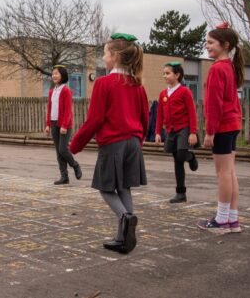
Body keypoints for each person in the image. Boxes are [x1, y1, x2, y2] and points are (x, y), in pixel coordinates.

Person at [69, 33, 149, 254]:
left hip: (113, 142)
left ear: (114, 56)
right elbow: (145, 119)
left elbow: (95, 119)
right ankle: (123, 238)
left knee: (105, 188)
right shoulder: (137, 85)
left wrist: (75, 145)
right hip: (133, 142)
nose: (102, 57)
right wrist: (138, 141)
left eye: (104, 53)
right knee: (124, 186)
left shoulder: (104, 83)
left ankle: (126, 218)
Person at [197, 22, 244, 234]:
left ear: (224, 45)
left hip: (223, 126)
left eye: (210, 42)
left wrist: (209, 131)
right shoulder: (230, 67)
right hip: (233, 124)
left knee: (223, 173)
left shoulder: (217, 69)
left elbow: (214, 104)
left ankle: (222, 219)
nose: (207, 46)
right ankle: (232, 219)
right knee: (230, 172)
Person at [155, 61, 199, 203]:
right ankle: (181, 193)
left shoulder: (184, 91)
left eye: (168, 73)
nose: (165, 76)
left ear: (177, 75)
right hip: (170, 130)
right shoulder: (163, 94)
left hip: (183, 127)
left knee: (181, 154)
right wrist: (157, 132)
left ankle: (191, 157)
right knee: (177, 161)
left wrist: (193, 132)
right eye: (164, 73)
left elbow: (192, 113)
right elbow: (159, 114)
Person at [44, 65, 82, 185]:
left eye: (56, 73)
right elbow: (50, 109)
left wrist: (64, 126)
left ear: (62, 75)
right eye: (53, 73)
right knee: (58, 151)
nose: (54, 75)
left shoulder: (66, 90)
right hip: (54, 123)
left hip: (65, 124)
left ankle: (75, 165)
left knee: (63, 149)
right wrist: (48, 124)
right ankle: (64, 176)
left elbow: (68, 110)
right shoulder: (52, 92)